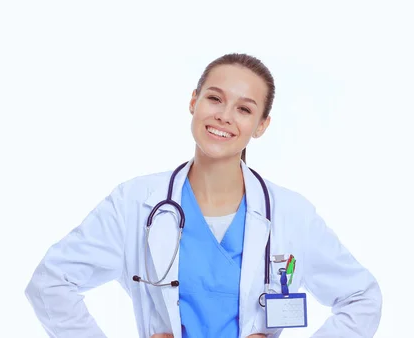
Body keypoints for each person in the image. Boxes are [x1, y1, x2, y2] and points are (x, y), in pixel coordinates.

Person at [25, 53, 382, 338]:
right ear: (194, 102)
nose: (224, 116)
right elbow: (51, 283)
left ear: (261, 126)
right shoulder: (134, 202)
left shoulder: (292, 215)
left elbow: (362, 299)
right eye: (215, 98)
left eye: (244, 108)